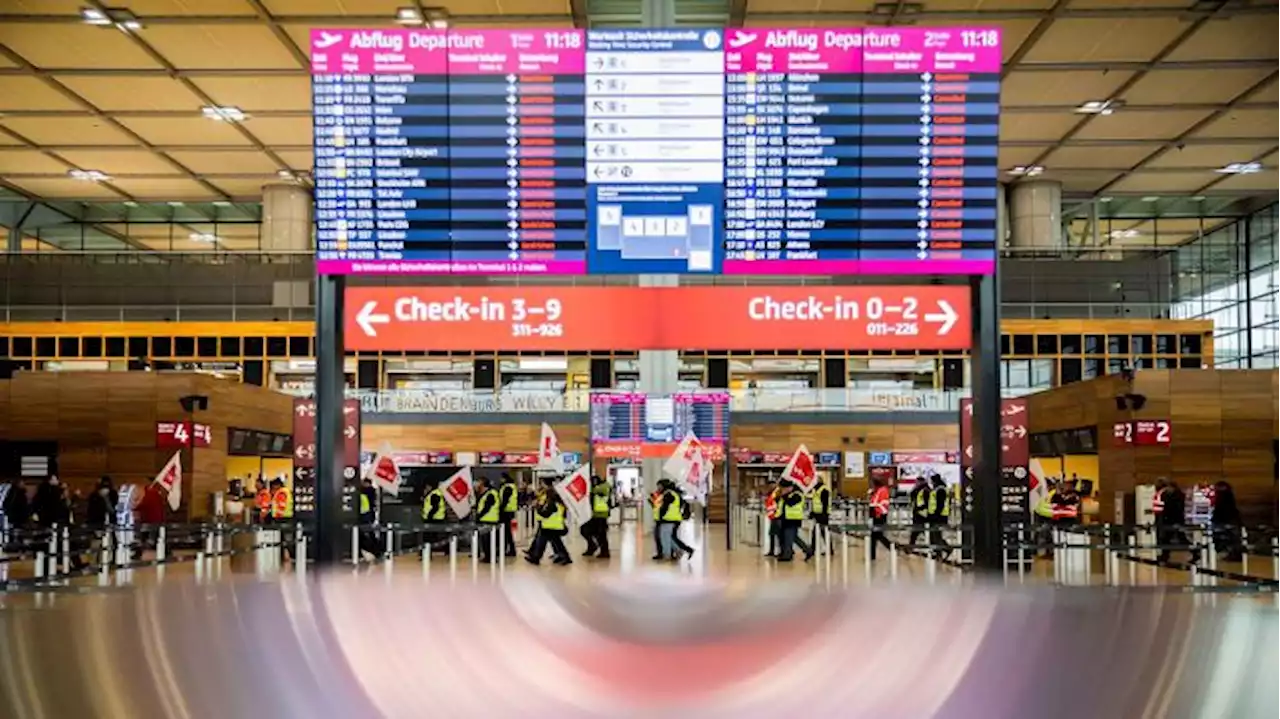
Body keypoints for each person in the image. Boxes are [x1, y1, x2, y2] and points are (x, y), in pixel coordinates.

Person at [526, 478, 571, 565]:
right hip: (553, 526)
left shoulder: (552, 504)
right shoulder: (556, 503)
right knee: (556, 543)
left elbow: (545, 514)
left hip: (550, 526)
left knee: (542, 542)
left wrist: (537, 507)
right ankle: (565, 557)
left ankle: (536, 558)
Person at [1155, 479, 1199, 564]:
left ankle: (1195, 552)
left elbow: (1174, 509)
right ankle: (1165, 556)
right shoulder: (1176, 494)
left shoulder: (1175, 495)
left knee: (1178, 539)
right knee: (1169, 539)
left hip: (1174, 520)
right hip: (1173, 520)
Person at [654, 480, 691, 560]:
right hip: (670, 519)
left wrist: (661, 516)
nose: (658, 487)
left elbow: (664, 507)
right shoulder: (671, 494)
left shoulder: (669, 494)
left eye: (659, 486)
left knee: (666, 537)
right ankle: (679, 550)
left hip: (668, 519)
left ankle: (668, 554)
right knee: (668, 537)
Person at [777, 481, 813, 562]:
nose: (783, 490)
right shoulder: (789, 495)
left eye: (784, 488)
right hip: (786, 519)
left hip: (793, 519)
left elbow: (790, 503)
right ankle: (808, 550)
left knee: (789, 537)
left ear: (789, 487)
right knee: (793, 538)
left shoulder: (797, 494)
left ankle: (787, 555)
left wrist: (784, 495)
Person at [1210, 480, 1242, 562]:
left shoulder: (1223, 497)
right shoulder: (1228, 496)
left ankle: (1230, 554)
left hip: (1225, 521)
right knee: (1232, 539)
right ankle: (1233, 554)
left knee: (1226, 539)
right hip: (1230, 520)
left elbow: (1221, 509)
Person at [581, 474, 612, 559]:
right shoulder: (596, 488)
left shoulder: (604, 486)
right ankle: (592, 546)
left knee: (601, 534)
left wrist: (589, 489)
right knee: (584, 530)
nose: (593, 483)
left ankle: (605, 551)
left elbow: (599, 491)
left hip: (602, 514)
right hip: (595, 514)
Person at [473, 477, 501, 563]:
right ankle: (487, 556)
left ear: (483, 483)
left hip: (489, 519)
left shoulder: (491, 493)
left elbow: (487, 507)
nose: (476, 484)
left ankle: (491, 557)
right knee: (485, 540)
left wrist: (479, 516)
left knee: (489, 540)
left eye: (478, 482)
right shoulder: (483, 493)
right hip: (484, 519)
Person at [927, 475, 953, 560]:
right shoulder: (939, 489)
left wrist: (935, 514)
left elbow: (940, 504)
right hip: (937, 516)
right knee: (935, 535)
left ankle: (945, 550)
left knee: (936, 535)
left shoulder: (940, 490)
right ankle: (939, 552)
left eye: (932, 482)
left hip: (938, 517)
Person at [868, 476, 892, 560]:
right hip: (876, 515)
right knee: (875, 536)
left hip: (879, 515)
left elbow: (880, 504)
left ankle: (891, 547)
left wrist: (877, 512)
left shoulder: (882, 490)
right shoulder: (877, 491)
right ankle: (872, 555)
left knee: (877, 535)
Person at [908, 475, 933, 548]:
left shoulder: (926, 490)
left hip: (923, 514)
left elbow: (927, 503)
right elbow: (912, 495)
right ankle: (911, 547)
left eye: (917, 482)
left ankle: (941, 548)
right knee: (916, 532)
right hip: (918, 514)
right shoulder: (918, 489)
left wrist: (919, 508)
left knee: (919, 531)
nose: (916, 483)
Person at [357, 477, 379, 562]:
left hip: (364, 516)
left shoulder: (364, 492)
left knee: (365, 534)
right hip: (370, 515)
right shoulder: (372, 492)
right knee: (370, 533)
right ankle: (375, 550)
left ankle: (370, 550)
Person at [809, 478, 833, 554]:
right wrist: (812, 512)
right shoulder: (816, 490)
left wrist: (824, 514)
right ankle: (813, 549)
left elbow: (825, 503)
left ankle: (829, 549)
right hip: (818, 514)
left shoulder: (824, 490)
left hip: (823, 515)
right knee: (816, 532)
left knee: (824, 532)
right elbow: (816, 502)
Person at [499, 473, 519, 558]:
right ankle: (510, 549)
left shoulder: (507, 487)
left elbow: (505, 500)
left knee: (506, 532)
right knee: (507, 532)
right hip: (510, 511)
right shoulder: (512, 486)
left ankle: (510, 550)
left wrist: (500, 510)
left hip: (506, 511)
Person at [764, 480, 782, 558]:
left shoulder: (777, 493)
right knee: (772, 534)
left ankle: (782, 551)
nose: (770, 487)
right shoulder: (771, 493)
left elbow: (777, 504)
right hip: (772, 517)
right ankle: (771, 550)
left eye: (771, 485)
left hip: (777, 516)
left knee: (778, 534)